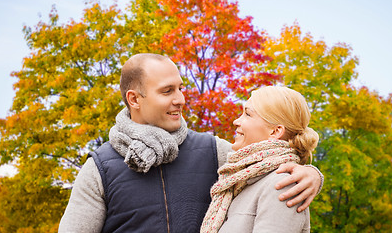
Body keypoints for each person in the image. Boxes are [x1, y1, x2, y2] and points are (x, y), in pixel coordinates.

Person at [58, 54, 323, 233]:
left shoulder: (214, 151)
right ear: (134, 99)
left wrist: (311, 173)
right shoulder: (100, 169)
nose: (181, 99)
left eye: (180, 88)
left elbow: (265, 161)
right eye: (167, 91)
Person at [201, 86, 319, 233]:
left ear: (275, 131)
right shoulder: (242, 181)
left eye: (248, 115)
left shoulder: (282, 185)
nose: (236, 121)